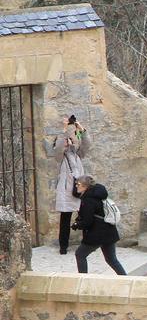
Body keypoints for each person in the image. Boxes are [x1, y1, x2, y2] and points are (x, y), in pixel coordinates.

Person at [48, 115, 91, 254]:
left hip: (80, 189)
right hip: (66, 191)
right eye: (67, 140)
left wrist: (81, 130)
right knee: (65, 220)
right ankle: (63, 247)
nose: (69, 141)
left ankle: (87, 243)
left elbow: (87, 145)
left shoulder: (77, 154)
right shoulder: (60, 156)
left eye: (70, 139)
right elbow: (59, 147)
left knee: (85, 217)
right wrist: (64, 130)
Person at [71, 176, 126, 275]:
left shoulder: (88, 199)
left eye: (78, 184)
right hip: (108, 231)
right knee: (111, 259)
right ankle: (126, 279)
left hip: (96, 234)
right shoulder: (97, 195)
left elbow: (88, 221)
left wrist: (77, 224)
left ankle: (83, 280)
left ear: (85, 186)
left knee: (80, 254)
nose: (76, 186)